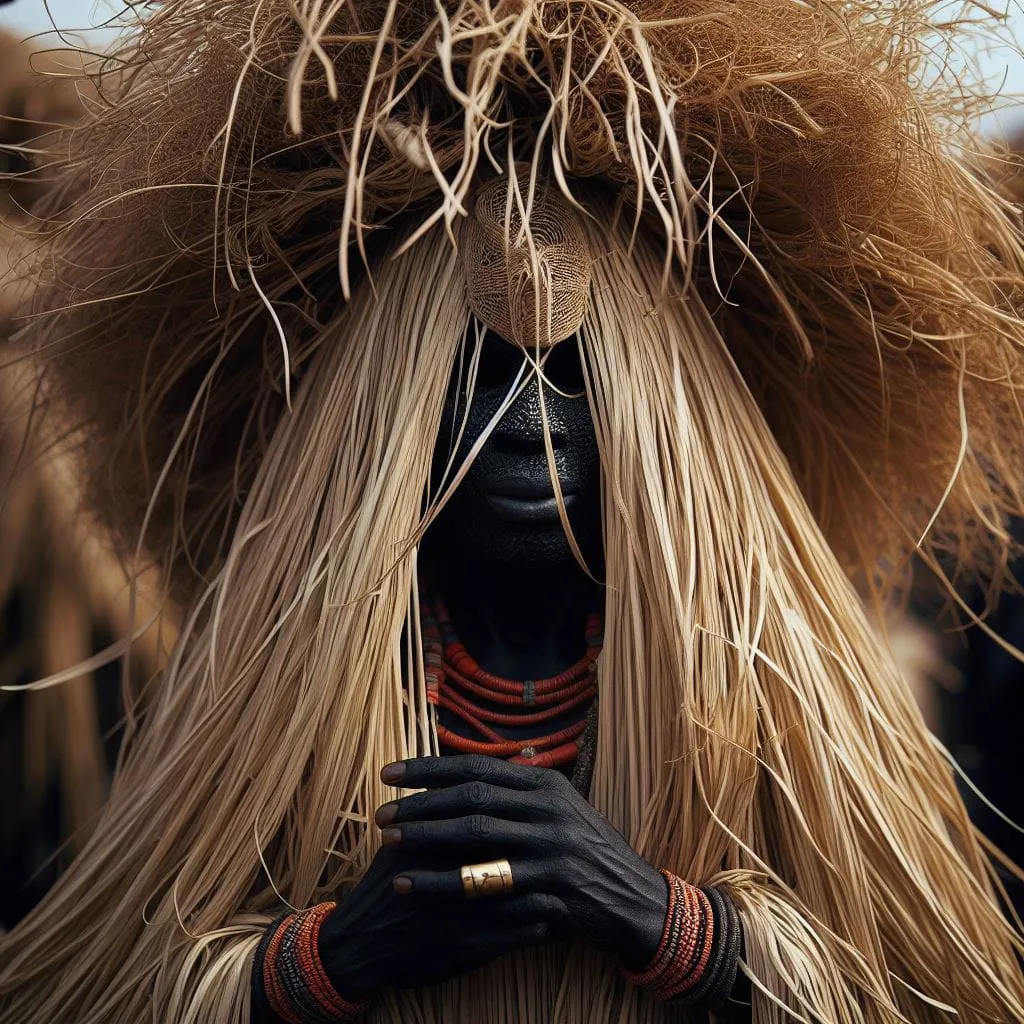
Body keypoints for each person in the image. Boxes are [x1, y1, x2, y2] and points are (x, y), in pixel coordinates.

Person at [1, 1, 1024, 1022]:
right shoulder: (269, 672)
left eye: (575, 376)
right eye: (479, 372)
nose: (529, 421)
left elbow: (924, 988)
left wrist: (660, 918)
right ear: (387, 410)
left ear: (659, 410)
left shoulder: (771, 684)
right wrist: (335, 954)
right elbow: (103, 988)